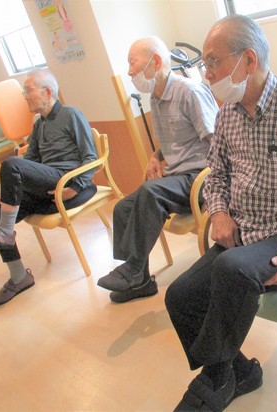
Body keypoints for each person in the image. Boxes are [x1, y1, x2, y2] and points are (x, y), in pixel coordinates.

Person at [164, 15, 277, 411]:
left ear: (248, 60)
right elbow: (216, 176)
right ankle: (238, 371)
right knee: (180, 295)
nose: (207, 73)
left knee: (231, 270)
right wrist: (218, 212)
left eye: (213, 62)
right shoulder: (227, 114)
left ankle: (215, 381)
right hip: (246, 233)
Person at [96, 36, 218, 303]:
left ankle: (132, 269)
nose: (130, 72)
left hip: (200, 177)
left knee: (150, 192)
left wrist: (219, 191)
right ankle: (140, 281)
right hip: (176, 178)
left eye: (133, 63)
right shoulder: (156, 98)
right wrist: (155, 156)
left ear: (157, 61)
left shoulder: (190, 92)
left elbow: (219, 142)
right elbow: (175, 140)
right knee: (122, 208)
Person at [0, 68, 98, 306]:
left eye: (28, 91)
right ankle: (19, 276)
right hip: (45, 184)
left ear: (47, 92)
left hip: (64, 181)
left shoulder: (71, 114)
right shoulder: (39, 124)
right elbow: (30, 161)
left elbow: (91, 157)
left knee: (11, 164)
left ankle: (5, 231)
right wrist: (10, 190)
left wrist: (75, 188)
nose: (24, 96)